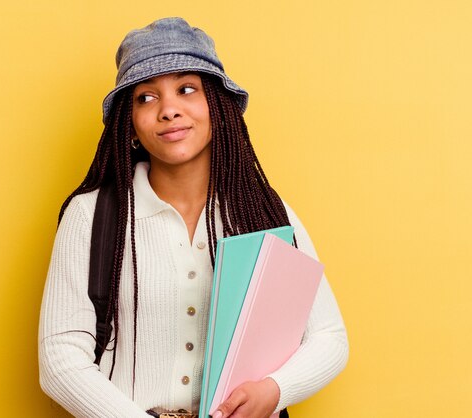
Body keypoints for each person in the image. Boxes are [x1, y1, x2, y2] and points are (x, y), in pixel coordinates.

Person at [39, 17, 348, 418]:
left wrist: (275, 390)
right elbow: (60, 360)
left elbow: (329, 337)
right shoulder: (91, 216)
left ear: (216, 109)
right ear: (129, 125)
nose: (169, 110)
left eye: (187, 89)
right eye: (146, 98)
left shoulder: (264, 210)